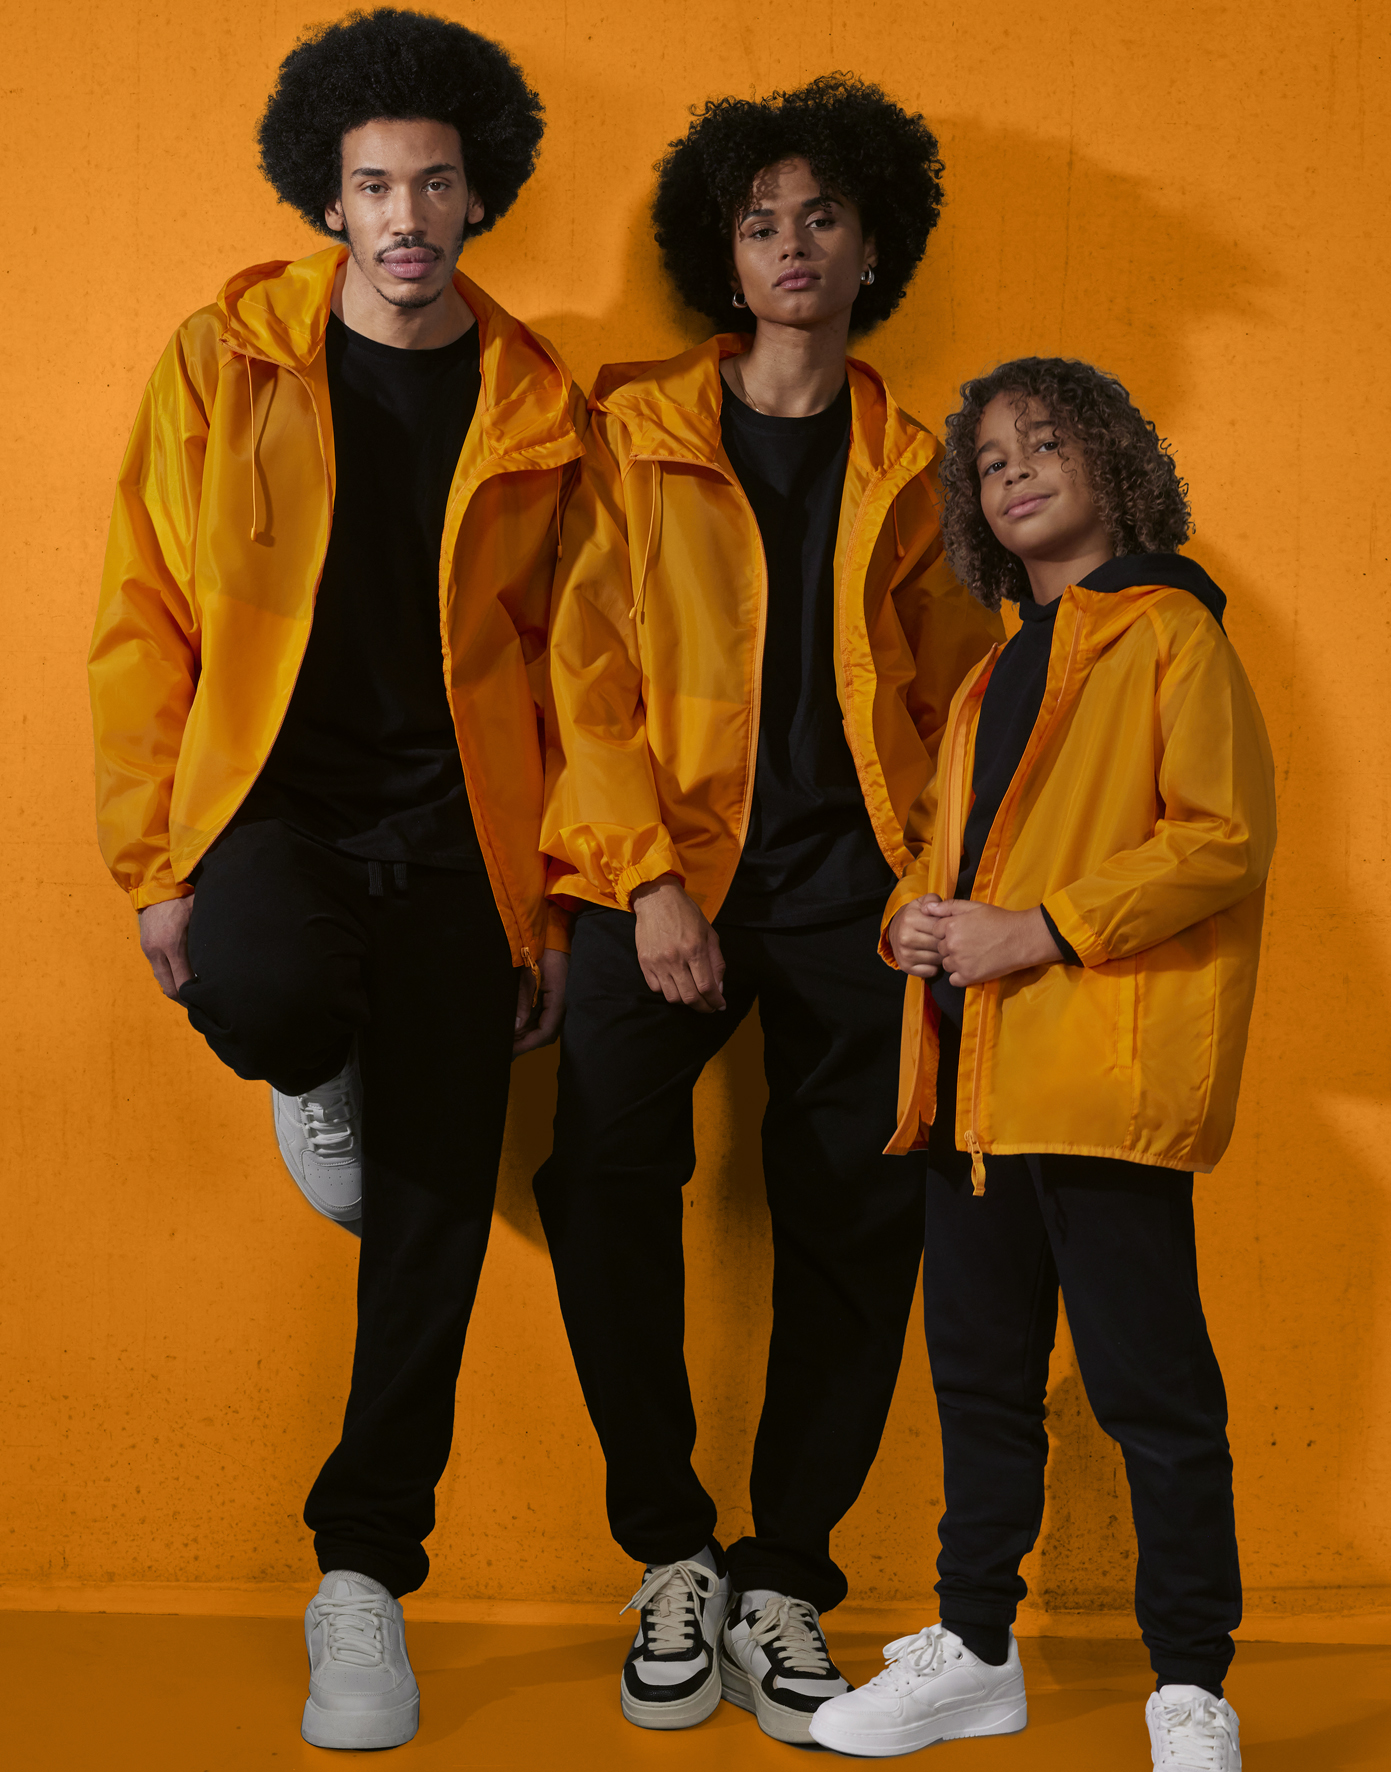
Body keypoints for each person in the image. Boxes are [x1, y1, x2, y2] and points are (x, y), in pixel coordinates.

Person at [88, 9, 581, 1751]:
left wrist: (548, 895)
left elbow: (573, 658)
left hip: (460, 830)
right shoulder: (222, 359)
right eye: (373, 184)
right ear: (327, 195)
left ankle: (363, 1576)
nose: (405, 216)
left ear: (479, 193)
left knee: (435, 1215)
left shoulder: (538, 399)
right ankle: (321, 1066)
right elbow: (143, 612)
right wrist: (157, 862)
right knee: (269, 987)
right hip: (271, 808)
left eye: (435, 184)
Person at [535, 76, 1001, 1745]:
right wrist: (649, 878)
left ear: (875, 247)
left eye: (824, 217)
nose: (793, 245)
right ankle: (670, 1551)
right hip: (656, 873)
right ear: (719, 258)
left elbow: (959, 701)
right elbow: (581, 670)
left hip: (856, 899)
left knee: (859, 1216)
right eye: (759, 222)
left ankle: (784, 1576)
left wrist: (932, 890)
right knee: (604, 1179)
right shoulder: (632, 434)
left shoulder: (923, 468)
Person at [807, 357, 1276, 1772]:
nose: (1013, 470)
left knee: (1153, 1397)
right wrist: (911, 920)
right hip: (974, 1095)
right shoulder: (992, 674)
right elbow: (947, 853)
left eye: (1045, 443)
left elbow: (1219, 837)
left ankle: (1189, 1684)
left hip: (1100, 1087)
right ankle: (977, 1654)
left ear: (1116, 463)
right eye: (991, 460)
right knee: (981, 1384)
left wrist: (1041, 928)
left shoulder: (1172, 634)